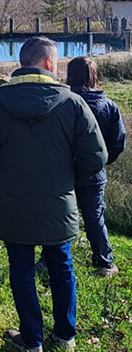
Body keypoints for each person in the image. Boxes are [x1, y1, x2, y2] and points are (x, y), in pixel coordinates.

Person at [0, 37, 107, 352]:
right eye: (56, 63)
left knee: (21, 268)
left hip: (13, 201)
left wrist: (3, 176)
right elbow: (96, 156)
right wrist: (67, 179)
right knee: (61, 264)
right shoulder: (73, 103)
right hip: (59, 201)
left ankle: (32, 340)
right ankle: (66, 335)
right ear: (47, 63)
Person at [66, 56, 125, 278]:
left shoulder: (63, 102)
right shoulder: (109, 106)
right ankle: (104, 263)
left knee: (59, 215)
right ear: (94, 75)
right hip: (94, 172)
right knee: (94, 217)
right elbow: (118, 142)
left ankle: (49, 258)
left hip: (63, 170)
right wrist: (101, 161)